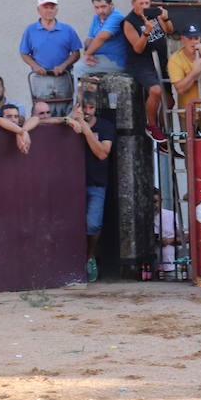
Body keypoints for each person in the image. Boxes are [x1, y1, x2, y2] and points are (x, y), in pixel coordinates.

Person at [65, 96, 115, 282]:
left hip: (96, 182)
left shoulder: (105, 126)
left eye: (91, 107)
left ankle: (89, 256)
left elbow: (102, 153)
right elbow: (45, 122)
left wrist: (85, 130)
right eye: (83, 107)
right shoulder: (69, 123)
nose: (87, 110)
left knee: (93, 223)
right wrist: (68, 118)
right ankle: (74, 261)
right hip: (70, 184)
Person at [120, 0, 172, 134]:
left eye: (146, 3)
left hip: (160, 61)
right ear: (133, 4)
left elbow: (169, 30)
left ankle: (163, 131)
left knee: (169, 102)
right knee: (155, 90)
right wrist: (147, 32)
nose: (144, 6)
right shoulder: (129, 22)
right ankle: (152, 125)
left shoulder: (153, 14)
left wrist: (165, 19)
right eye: (141, 3)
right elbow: (137, 48)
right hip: (141, 63)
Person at [19, 0, 82, 114]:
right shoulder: (30, 30)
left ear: (56, 10)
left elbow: (76, 53)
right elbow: (24, 53)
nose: (49, 10)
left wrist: (63, 66)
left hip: (63, 76)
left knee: (66, 108)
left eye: (52, 7)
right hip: (40, 78)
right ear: (38, 10)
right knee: (42, 109)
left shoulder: (68, 29)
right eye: (45, 7)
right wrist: (36, 67)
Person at [77, 0, 128, 76]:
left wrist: (87, 54)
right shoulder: (97, 18)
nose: (100, 11)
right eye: (97, 7)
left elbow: (102, 37)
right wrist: (88, 53)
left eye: (103, 7)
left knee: (79, 68)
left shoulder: (116, 17)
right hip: (99, 57)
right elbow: (89, 39)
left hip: (115, 60)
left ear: (111, 5)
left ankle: (77, 90)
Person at [153, 188, 179, 275]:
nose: (153, 205)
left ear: (161, 201)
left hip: (169, 267)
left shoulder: (171, 215)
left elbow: (187, 237)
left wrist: (169, 240)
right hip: (147, 268)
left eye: (155, 201)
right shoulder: (139, 218)